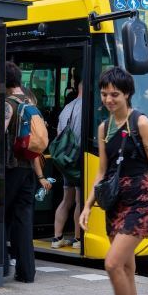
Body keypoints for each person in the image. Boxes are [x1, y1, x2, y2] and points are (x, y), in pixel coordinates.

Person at [79, 67, 148, 295]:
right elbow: (102, 172)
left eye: (114, 94)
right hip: (116, 202)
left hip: (141, 201)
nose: (108, 99)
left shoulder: (141, 123)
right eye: (104, 94)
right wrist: (87, 205)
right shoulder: (104, 128)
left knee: (112, 263)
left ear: (127, 93)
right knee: (126, 266)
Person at [4, 61, 51, 283]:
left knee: (0, 217)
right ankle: (26, 272)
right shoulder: (31, 103)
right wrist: (39, 175)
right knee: (23, 219)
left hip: (10, 169)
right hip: (28, 170)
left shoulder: (8, 105)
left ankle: (1, 266)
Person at [51, 80, 83, 249]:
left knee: (66, 200)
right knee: (79, 200)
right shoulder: (88, 107)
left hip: (65, 160)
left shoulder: (66, 109)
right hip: (79, 159)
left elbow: (59, 134)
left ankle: (57, 238)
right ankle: (78, 239)